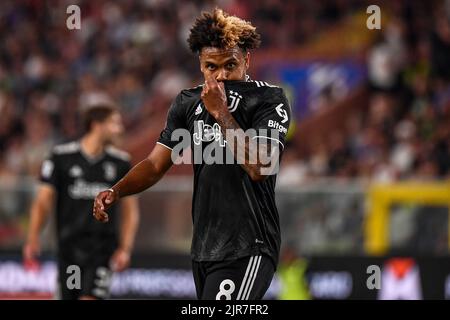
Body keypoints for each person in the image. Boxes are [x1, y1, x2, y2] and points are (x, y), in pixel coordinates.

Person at [93, 8, 291, 300]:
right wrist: (117, 190)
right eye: (212, 67)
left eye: (230, 65)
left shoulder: (268, 99)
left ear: (246, 60)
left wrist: (221, 112)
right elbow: (155, 164)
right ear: (200, 64)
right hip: (204, 247)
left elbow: (261, 166)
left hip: (250, 245)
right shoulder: (187, 102)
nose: (221, 76)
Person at [23, 104, 140, 300]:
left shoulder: (121, 163)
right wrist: (33, 237)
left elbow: (130, 210)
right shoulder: (61, 157)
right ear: (97, 125)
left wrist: (125, 248)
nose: (120, 129)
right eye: (114, 123)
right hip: (70, 251)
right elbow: (43, 202)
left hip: (102, 251)